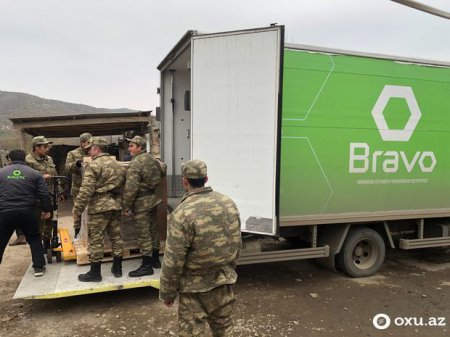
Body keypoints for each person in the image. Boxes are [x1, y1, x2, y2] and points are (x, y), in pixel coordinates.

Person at [159, 160, 242, 337]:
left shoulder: (182, 213)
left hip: (193, 290)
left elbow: (173, 260)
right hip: (222, 283)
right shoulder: (228, 203)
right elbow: (236, 243)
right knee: (225, 330)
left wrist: (167, 293)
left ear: (184, 181)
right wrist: (227, 270)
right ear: (206, 178)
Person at [72, 137, 125, 282]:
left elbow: (86, 190)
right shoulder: (118, 164)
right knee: (116, 236)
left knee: (96, 239)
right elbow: (123, 187)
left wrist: (77, 210)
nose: (89, 152)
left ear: (96, 149)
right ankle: (118, 268)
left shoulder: (94, 165)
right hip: (115, 204)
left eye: (90, 149)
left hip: (99, 207)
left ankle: (95, 273)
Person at [0, 149, 51, 277]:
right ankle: (39, 267)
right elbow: (44, 194)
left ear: (10, 159)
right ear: (25, 159)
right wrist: (46, 210)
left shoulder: (1, 173)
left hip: (5, 212)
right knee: (34, 238)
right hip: (28, 211)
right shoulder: (34, 173)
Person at [122, 136, 164, 277]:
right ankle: (155, 261)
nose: (129, 148)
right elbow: (163, 171)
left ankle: (146, 266)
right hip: (152, 200)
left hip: (141, 203)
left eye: (132, 146)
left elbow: (131, 187)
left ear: (140, 147)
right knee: (153, 230)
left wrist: (126, 206)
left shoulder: (136, 163)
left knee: (144, 233)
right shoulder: (152, 158)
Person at [25, 136, 57, 249]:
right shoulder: (28, 161)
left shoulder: (49, 159)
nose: (47, 149)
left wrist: (60, 191)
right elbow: (25, 180)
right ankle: (37, 250)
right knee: (38, 224)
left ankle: (47, 246)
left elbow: (55, 176)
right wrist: (40, 177)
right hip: (36, 198)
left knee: (50, 221)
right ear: (36, 148)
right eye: (44, 146)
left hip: (50, 195)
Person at [65, 132, 92, 237]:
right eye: (87, 142)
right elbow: (67, 168)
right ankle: (77, 233)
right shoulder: (73, 153)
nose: (89, 144)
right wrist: (76, 164)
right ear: (82, 143)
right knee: (78, 213)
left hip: (92, 188)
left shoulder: (94, 151)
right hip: (78, 188)